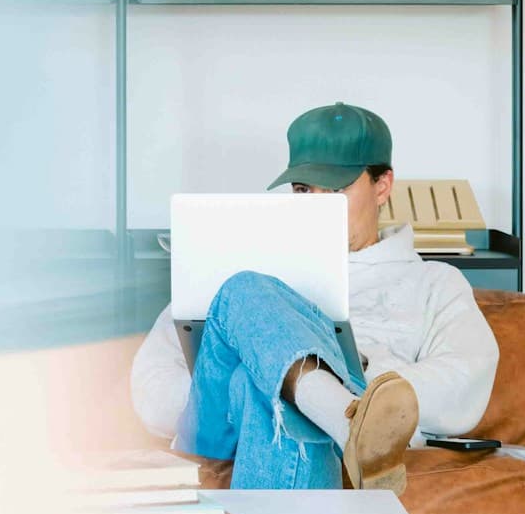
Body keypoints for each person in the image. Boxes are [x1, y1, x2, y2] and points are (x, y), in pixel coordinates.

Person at [130, 102, 499, 493]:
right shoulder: (244, 273)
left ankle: (331, 412)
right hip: (218, 423)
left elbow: (464, 390)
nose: (317, 205)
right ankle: (346, 422)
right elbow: (150, 389)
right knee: (244, 288)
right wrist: (267, 363)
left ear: (383, 186)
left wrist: (350, 375)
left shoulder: (433, 282)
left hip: (284, 435)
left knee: (260, 389)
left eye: (336, 190)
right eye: (305, 190)